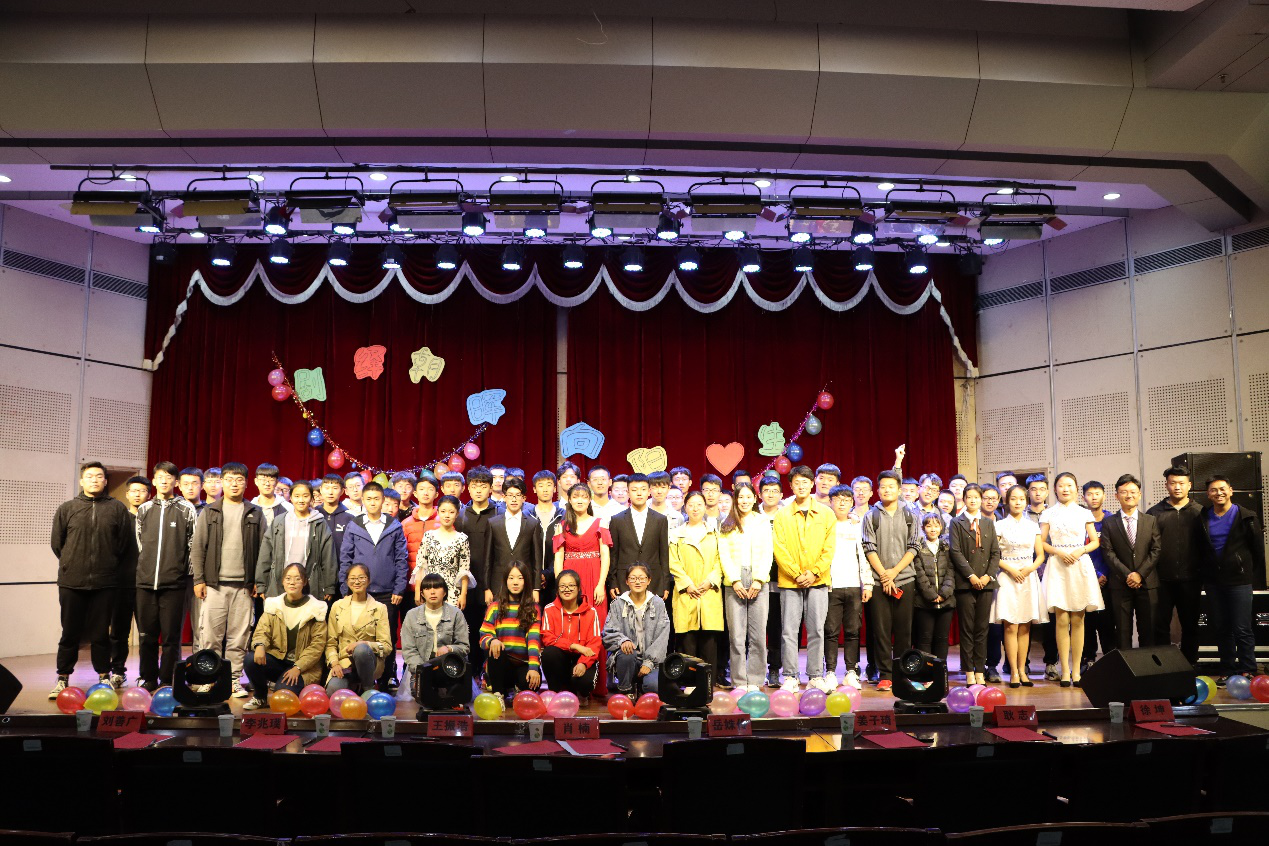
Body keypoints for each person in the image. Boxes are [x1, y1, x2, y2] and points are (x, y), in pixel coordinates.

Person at [49, 461, 133, 698]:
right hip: (71, 581)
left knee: (100, 634)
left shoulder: (117, 508)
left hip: (105, 582)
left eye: (99, 476)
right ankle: (62, 678)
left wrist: (107, 564)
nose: (94, 480)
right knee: (70, 633)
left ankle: (104, 676)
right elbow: (57, 544)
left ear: (105, 481)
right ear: (81, 481)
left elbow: (123, 544)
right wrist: (72, 563)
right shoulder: (67, 508)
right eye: (89, 476)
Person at [191, 462, 265, 698]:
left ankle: (233, 680)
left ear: (246, 483)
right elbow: (198, 547)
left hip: (244, 587)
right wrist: (199, 579)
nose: (234, 484)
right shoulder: (210, 511)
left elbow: (264, 550)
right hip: (214, 585)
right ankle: (209, 679)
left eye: (239, 480)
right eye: (230, 479)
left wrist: (259, 580)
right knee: (210, 637)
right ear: (222, 482)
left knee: (239, 638)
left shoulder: (255, 512)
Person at [338, 481, 409, 690]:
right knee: (359, 634)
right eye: (368, 499)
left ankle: (388, 676)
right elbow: (346, 558)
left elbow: (401, 559)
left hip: (388, 591)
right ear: (362, 500)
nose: (372, 503)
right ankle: (361, 678)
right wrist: (345, 589)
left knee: (387, 636)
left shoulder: (394, 525)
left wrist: (399, 588)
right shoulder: (355, 525)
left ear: (383, 501)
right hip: (360, 591)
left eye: (376, 499)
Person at [135, 463, 198, 691]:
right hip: (145, 583)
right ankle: (148, 678)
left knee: (171, 638)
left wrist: (182, 573)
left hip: (174, 585)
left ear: (176, 482)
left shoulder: (186, 509)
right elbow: (140, 544)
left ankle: (167, 679)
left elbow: (193, 544)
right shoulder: (144, 509)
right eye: (160, 477)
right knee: (146, 636)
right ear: (153, 481)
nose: (164, 480)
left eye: (169, 477)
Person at [773, 466, 836, 692]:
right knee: (789, 631)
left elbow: (829, 548)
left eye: (805, 482)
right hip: (790, 582)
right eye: (796, 482)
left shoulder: (826, 514)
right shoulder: (782, 515)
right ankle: (790, 676)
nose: (801, 486)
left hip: (818, 580)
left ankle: (815, 676)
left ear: (812, 484)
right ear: (791, 486)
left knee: (817, 630)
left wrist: (814, 572)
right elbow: (779, 549)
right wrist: (796, 573)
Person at [1040, 472, 1104, 687]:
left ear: (1076, 488)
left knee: (1078, 619)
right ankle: (1065, 670)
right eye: (1061, 485)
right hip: (1058, 566)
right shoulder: (1048, 513)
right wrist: (1058, 552)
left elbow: (1094, 541)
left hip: (1079, 564)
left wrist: (1080, 551)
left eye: (1069, 485)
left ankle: (1076, 670)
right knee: (1061, 619)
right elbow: (1041, 542)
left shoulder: (1084, 513)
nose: (1065, 489)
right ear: (1055, 489)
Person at [1197, 476, 1263, 680]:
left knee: (1242, 628)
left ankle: (1248, 669)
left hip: (1239, 581)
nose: (1219, 493)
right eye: (1213, 490)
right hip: (1214, 582)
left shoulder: (1246, 516)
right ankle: (1227, 670)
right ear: (1208, 494)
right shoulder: (1203, 517)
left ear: (1231, 491)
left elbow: (1257, 550)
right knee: (1222, 628)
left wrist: (1248, 574)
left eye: (1222, 489)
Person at [861, 470, 920, 692]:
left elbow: (914, 546)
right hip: (879, 582)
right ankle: (885, 674)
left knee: (905, 631)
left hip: (905, 579)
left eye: (891, 486)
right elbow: (869, 547)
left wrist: (894, 572)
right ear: (878, 490)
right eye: (883, 487)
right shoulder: (871, 516)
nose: (887, 490)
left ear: (899, 489)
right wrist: (884, 575)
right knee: (881, 631)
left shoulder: (911, 515)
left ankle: (902, 674)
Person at [243, 564, 328, 710]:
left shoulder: (317, 609)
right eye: (288, 578)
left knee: (282, 694)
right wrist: (260, 645)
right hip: (279, 660)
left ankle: (292, 687)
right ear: (282, 581)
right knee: (251, 659)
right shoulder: (273, 605)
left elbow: (317, 646)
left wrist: (298, 667)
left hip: (304, 668)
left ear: (304, 582)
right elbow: (262, 630)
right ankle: (260, 697)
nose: (292, 582)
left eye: (297, 579)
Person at [719, 482, 774, 692]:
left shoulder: (762, 521)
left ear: (754, 498)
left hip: (758, 579)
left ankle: (756, 679)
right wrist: (734, 580)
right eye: (740, 497)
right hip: (734, 580)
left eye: (748, 497)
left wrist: (759, 580)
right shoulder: (727, 522)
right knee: (736, 636)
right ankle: (740, 681)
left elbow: (768, 552)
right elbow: (723, 554)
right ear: (735, 499)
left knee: (758, 635)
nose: (744, 501)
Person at [1148, 466, 1205, 667]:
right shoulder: (1154, 513)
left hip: (1191, 579)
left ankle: (1190, 664)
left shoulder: (1201, 512)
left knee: (1191, 625)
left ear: (1189, 485)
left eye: (1181, 483)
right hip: (1161, 580)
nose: (1177, 487)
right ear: (1166, 485)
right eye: (1173, 483)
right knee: (1160, 626)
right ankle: (1164, 666)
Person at [1101, 474, 1162, 650]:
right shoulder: (1109, 523)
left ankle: (1147, 665)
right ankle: (1125, 666)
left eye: (1133, 491)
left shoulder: (1150, 520)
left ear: (1139, 494)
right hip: (1120, 583)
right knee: (1122, 631)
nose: (1129, 495)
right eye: (1124, 492)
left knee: (1148, 630)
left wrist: (1140, 574)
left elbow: (1156, 550)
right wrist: (1128, 575)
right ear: (1116, 496)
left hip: (1147, 583)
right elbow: (1108, 552)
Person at [993, 485, 1045, 687]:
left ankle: (1023, 670)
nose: (1018, 502)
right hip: (1007, 577)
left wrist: (1029, 569)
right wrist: (1011, 570)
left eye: (1021, 499)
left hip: (1028, 577)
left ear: (1026, 501)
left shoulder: (1033, 526)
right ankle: (1013, 671)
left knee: (1025, 626)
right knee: (1010, 626)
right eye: (1013, 499)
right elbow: (994, 555)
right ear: (1007, 501)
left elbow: (1040, 555)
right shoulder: (999, 525)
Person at [950, 484, 1002, 686]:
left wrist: (988, 576)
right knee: (966, 629)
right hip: (965, 583)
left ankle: (980, 670)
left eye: (976, 497)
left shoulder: (988, 523)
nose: (973, 500)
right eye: (969, 497)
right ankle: (969, 671)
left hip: (986, 583)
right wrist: (971, 576)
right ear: (963, 499)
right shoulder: (957, 522)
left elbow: (995, 552)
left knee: (982, 629)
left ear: (981, 500)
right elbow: (955, 552)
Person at [669, 490, 725, 676]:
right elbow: (673, 562)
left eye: (699, 505)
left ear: (705, 507)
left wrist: (711, 581)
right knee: (688, 640)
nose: (695, 509)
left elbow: (720, 560)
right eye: (691, 505)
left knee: (709, 640)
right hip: (687, 593)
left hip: (709, 592)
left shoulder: (714, 533)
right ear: (685, 507)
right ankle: (688, 682)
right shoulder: (676, 534)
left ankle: (709, 682)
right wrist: (687, 584)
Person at [824, 484, 872, 689]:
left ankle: (851, 671)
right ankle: (830, 672)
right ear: (831, 502)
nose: (842, 503)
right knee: (831, 631)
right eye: (838, 499)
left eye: (846, 500)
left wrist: (867, 584)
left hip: (853, 585)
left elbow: (865, 556)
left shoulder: (857, 526)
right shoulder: (824, 525)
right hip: (831, 586)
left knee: (853, 631)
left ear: (852, 502)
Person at [458, 466, 504, 684]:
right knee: (468, 627)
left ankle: (489, 673)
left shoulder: (499, 514)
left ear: (490, 488)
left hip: (491, 582)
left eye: (483, 486)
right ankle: (470, 672)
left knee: (490, 628)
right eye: (474, 486)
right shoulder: (460, 515)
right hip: (465, 583)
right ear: (468, 488)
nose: (478, 490)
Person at [256, 480, 336, 600]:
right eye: (297, 496)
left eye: (305, 496)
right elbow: (265, 554)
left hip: (311, 583)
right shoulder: (279, 521)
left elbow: (328, 556)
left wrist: (329, 586)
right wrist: (261, 584)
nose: (301, 500)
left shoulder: (320, 523)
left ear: (312, 498)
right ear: (291, 498)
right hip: (279, 583)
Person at [325, 563, 394, 695]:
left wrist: (365, 644)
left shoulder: (379, 608)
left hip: (369, 663)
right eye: (352, 578)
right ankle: (353, 685)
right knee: (333, 692)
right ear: (347, 581)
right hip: (345, 664)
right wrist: (334, 663)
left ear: (368, 580)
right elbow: (331, 643)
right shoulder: (337, 606)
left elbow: (386, 646)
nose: (357, 582)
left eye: (361, 578)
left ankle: (368, 689)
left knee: (361, 650)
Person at [605, 564, 671, 695]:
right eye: (633, 578)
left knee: (654, 687)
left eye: (641, 578)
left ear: (649, 580)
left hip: (652, 662)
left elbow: (662, 636)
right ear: (627, 581)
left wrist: (649, 662)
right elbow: (608, 632)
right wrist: (622, 641)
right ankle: (626, 690)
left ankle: (642, 686)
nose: (637, 582)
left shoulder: (658, 603)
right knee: (627, 654)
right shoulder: (617, 604)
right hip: (628, 660)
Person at [480, 563, 541, 697]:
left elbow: (534, 640)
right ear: (505, 581)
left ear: (526, 581)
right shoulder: (494, 607)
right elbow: (484, 636)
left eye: (520, 578)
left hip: (522, 663)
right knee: (495, 649)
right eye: (511, 578)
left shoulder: (533, 608)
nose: (515, 582)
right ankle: (498, 694)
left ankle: (517, 688)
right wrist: (492, 641)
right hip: (501, 664)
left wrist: (533, 668)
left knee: (532, 684)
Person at [608, 473, 671, 603]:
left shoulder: (660, 520)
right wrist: (613, 581)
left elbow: (664, 554)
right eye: (634, 490)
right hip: (624, 581)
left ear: (649, 491)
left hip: (653, 580)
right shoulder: (617, 520)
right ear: (628, 492)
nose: (639, 493)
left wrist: (665, 583)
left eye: (643, 489)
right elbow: (614, 554)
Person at [111, 475, 149, 688]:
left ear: (148, 494)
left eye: (142, 491)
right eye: (133, 491)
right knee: (119, 632)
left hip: (145, 584)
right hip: (121, 584)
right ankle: (118, 671)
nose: (137, 494)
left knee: (146, 634)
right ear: (126, 494)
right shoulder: (119, 519)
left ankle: (146, 674)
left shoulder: (153, 518)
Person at [401, 572, 471, 687]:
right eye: (427, 588)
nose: (432, 592)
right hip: (421, 668)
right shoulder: (411, 615)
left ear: (444, 592)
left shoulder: (456, 614)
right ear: (422, 593)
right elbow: (409, 650)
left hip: (450, 667)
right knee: (421, 691)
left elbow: (464, 646)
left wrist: (449, 649)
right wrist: (423, 670)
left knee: (454, 693)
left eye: (437, 587)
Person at [540, 569, 602, 698]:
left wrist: (583, 663)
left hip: (582, 657)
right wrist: (574, 646)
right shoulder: (549, 609)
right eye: (562, 586)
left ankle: (582, 694)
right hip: (561, 657)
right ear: (557, 590)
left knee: (584, 682)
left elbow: (595, 643)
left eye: (571, 585)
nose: (567, 589)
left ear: (578, 588)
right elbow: (547, 638)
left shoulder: (591, 612)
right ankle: (555, 693)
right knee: (549, 653)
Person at [486, 476, 544, 605]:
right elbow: (488, 558)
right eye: (510, 495)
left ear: (524, 498)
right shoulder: (493, 523)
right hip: (498, 583)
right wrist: (487, 588)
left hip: (525, 583)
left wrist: (536, 588)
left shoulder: (532, 524)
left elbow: (536, 559)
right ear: (504, 497)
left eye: (518, 495)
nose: (514, 499)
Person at [1024, 473, 1060, 681]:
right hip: (1026, 571)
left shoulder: (1054, 514)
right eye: (1033, 489)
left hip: (1051, 570)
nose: (1038, 493)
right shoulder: (1021, 515)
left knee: (1051, 620)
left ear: (1048, 492)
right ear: (1028, 492)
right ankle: (1022, 664)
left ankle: (1051, 663)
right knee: (1023, 618)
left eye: (1041, 489)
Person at [1080, 481, 1116, 672]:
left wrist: (1105, 575)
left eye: (1097, 493)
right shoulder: (1079, 520)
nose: (1094, 497)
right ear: (1083, 497)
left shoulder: (1112, 520)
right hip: (1085, 579)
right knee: (1086, 624)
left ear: (1104, 495)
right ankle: (1088, 660)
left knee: (1108, 624)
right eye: (1089, 494)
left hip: (1109, 581)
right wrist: (1095, 575)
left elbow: (1116, 551)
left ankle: (1111, 662)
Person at [415, 495, 471, 608]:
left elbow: (464, 570)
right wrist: (417, 591)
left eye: (451, 512)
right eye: (443, 511)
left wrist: (463, 594)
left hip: (453, 591)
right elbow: (421, 565)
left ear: (457, 514)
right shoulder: (428, 536)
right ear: (438, 512)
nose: (447, 515)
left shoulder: (462, 539)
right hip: (430, 589)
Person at [912, 512, 954, 663]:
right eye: (929, 526)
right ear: (923, 528)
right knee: (924, 638)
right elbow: (919, 573)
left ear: (941, 527)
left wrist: (944, 593)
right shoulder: (918, 547)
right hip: (924, 602)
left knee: (942, 638)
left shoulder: (947, 547)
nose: (933, 529)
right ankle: (926, 670)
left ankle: (940, 670)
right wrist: (931, 595)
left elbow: (951, 571)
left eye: (936, 525)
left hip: (946, 601)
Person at [758, 475, 785, 687]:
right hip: (756, 580)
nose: (770, 494)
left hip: (781, 580)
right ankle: (754, 669)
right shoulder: (752, 515)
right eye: (766, 490)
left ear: (781, 495)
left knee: (776, 627)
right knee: (756, 628)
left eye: (774, 491)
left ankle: (774, 669)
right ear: (760, 494)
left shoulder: (787, 515)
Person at [403, 475, 441, 599]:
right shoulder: (406, 524)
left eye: (430, 489)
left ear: (436, 494)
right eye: (422, 489)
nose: (425, 493)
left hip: (437, 585)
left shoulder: (443, 522)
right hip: (411, 585)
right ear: (415, 493)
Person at [317, 472, 356, 557]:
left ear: (342, 491)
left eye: (335, 488)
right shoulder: (314, 515)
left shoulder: (350, 517)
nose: (330, 492)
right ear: (321, 490)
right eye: (327, 488)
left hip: (341, 563)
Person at [251, 463, 291, 527]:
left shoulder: (288, 508)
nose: (267, 484)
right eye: (263, 480)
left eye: (271, 480)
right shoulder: (250, 507)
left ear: (276, 482)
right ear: (256, 481)